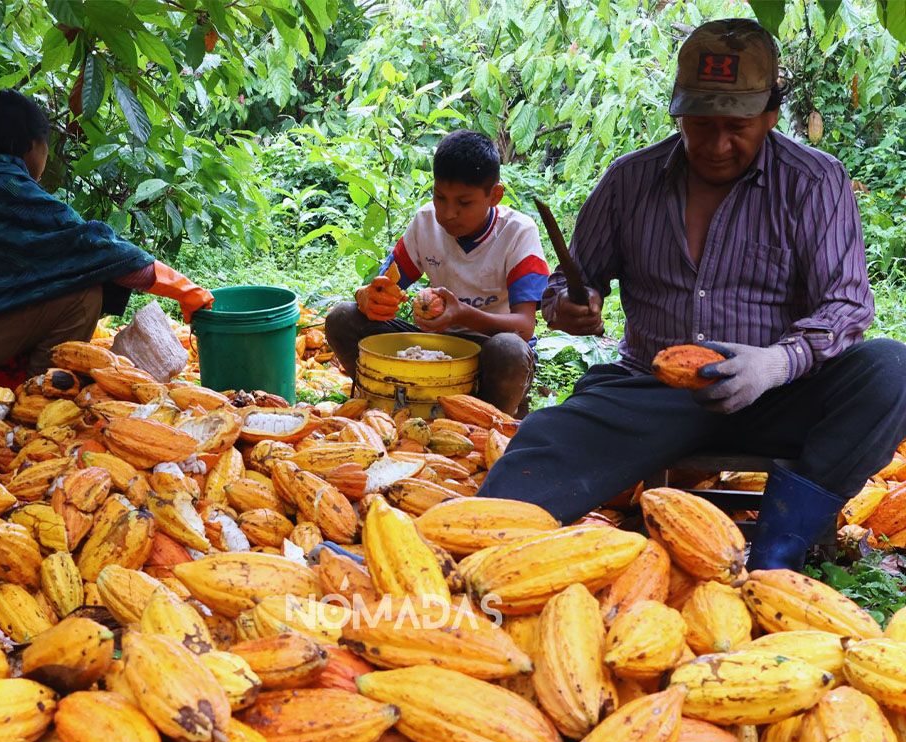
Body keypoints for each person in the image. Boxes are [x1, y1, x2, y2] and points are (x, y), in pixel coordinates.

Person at [479, 18, 906, 571]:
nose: (719, 144)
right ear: (678, 112)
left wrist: (777, 363)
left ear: (770, 114)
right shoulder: (630, 181)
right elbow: (569, 281)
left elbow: (847, 306)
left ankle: (777, 553)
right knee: (542, 445)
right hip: (652, 391)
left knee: (891, 368)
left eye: (738, 126)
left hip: (779, 392)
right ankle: (475, 544)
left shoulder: (812, 180)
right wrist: (568, 305)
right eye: (701, 125)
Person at [0, 89, 212, 407]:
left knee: (37, 288)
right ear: (31, 145)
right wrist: (187, 291)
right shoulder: (6, 184)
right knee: (83, 295)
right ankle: (31, 405)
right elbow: (96, 248)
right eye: (46, 147)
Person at [325, 130, 550, 417]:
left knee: (509, 350)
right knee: (342, 318)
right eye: (440, 197)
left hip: (490, 352)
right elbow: (384, 285)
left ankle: (489, 420)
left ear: (495, 195)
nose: (448, 213)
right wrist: (369, 296)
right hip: (436, 349)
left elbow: (524, 326)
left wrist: (461, 315)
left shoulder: (518, 233)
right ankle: (383, 403)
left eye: (464, 203)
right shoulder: (425, 223)